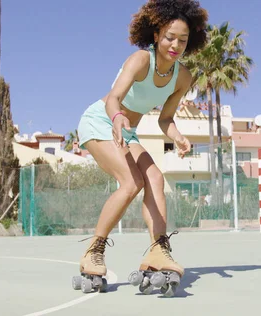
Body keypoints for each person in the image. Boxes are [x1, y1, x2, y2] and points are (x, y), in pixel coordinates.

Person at [75, 0, 209, 287]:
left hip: (127, 130)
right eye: (170, 37)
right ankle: (93, 252)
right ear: (157, 35)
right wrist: (119, 117)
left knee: (155, 178)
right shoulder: (140, 60)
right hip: (102, 120)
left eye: (183, 40)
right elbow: (113, 98)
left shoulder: (182, 77)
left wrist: (179, 137)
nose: (176, 44)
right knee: (131, 182)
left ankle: (158, 250)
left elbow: (165, 120)